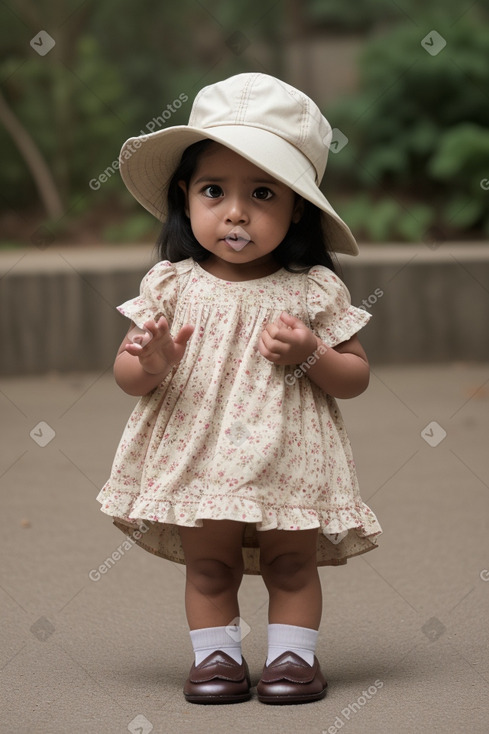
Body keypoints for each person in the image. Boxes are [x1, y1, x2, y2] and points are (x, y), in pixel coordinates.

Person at [96, 72, 382, 705]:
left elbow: (355, 376)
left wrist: (312, 355)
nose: (236, 212)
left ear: (297, 207)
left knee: (290, 563)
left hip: (288, 455)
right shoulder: (171, 285)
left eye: (261, 193)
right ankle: (217, 659)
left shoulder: (312, 290)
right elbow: (126, 374)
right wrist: (154, 362)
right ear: (185, 196)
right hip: (201, 455)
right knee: (210, 565)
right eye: (214, 191)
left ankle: (293, 659)